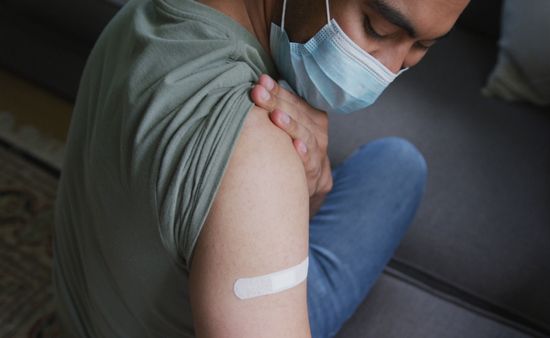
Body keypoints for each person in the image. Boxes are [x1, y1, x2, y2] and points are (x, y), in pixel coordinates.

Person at [52, 0, 469, 337]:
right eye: (377, 28)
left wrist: (314, 184)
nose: (388, 69)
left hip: (86, 312)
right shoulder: (261, 150)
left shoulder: (140, 17)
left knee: (396, 164)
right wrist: (286, 184)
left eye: (422, 48)